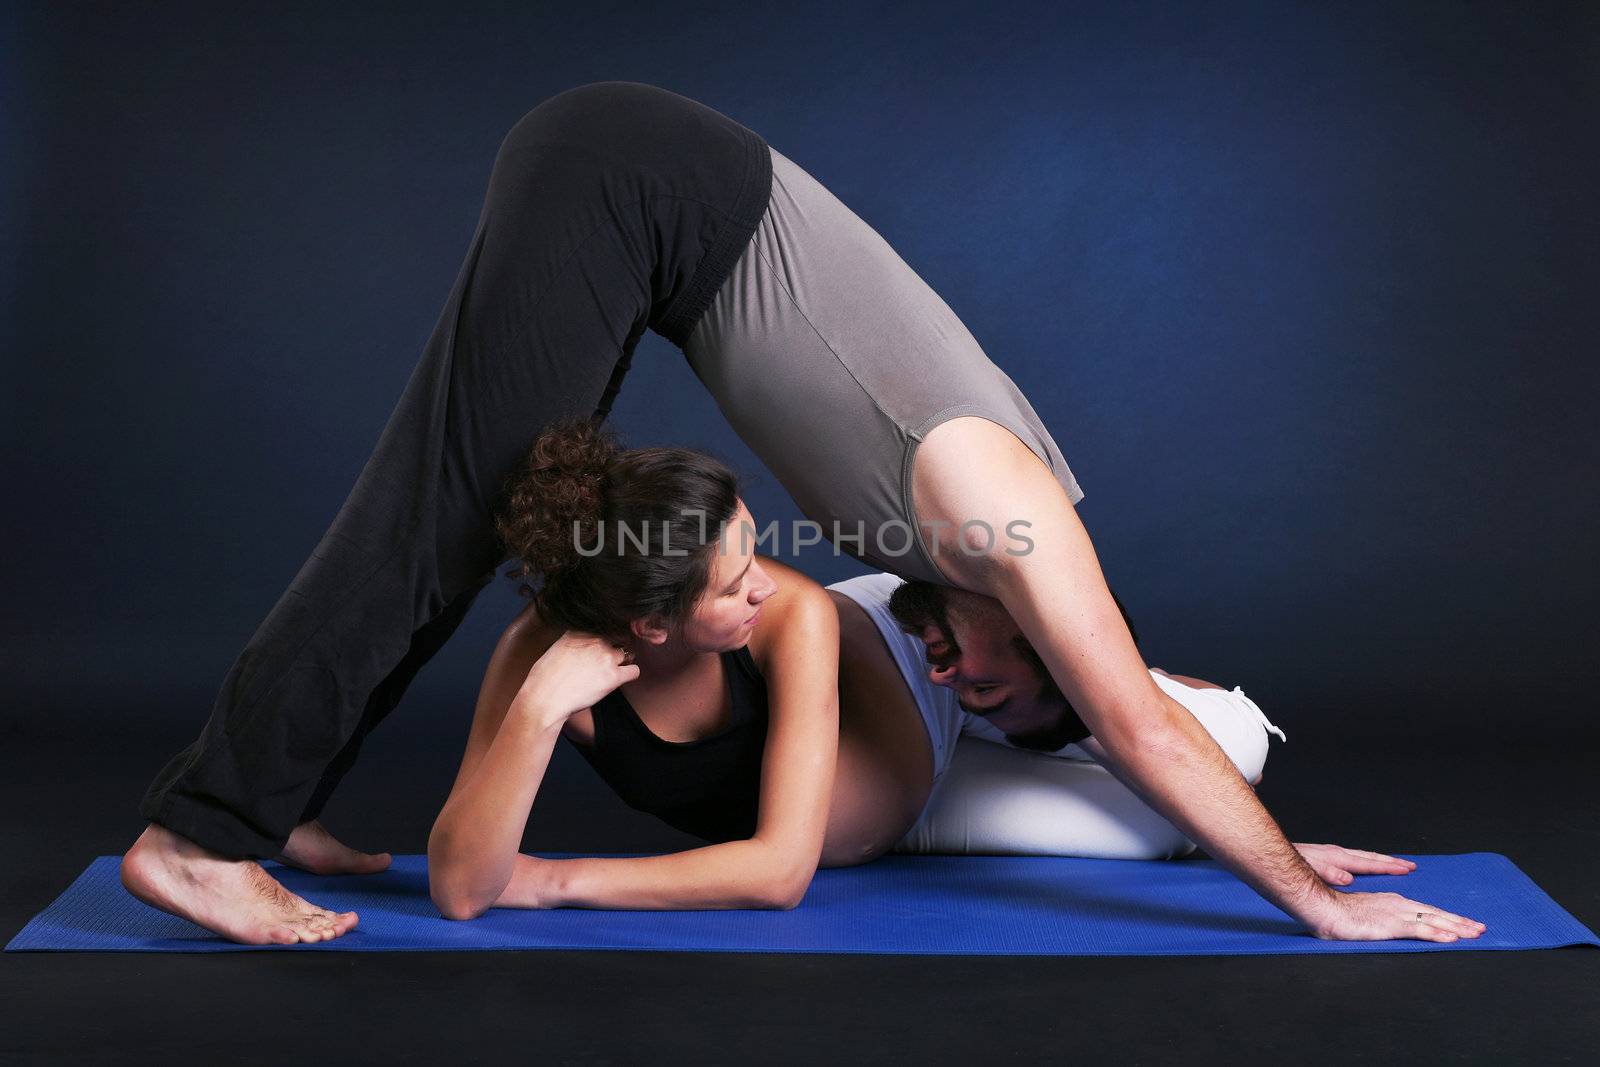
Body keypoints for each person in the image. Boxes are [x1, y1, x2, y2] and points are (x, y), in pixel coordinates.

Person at [121, 80, 1482, 945]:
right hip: (634, 179)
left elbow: (1130, 720)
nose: (972, 683)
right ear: (1027, 619)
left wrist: (1266, 835)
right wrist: (1308, 904)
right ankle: (200, 835)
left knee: (478, 510)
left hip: (644, 194)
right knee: (454, 506)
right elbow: (1128, 712)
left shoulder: (973, 565)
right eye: (1006, 683)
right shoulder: (1010, 519)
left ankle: (263, 804)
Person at [427, 422, 1480, 950]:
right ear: (648, 623)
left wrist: (554, 878)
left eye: (754, 551)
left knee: (1236, 747)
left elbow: (776, 869)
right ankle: (1156, 766)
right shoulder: (541, 663)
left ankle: (1125, 685)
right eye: (735, 580)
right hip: (921, 803)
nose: (771, 579)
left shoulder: (787, 615)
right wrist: (533, 713)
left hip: (915, 653)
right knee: (1160, 831)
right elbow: (464, 885)